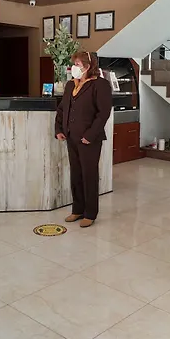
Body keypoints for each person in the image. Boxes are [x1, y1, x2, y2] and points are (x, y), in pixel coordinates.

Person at [55, 51, 112, 228]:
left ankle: (90, 213)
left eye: (77, 64)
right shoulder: (70, 85)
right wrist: (59, 129)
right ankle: (77, 209)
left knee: (89, 175)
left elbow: (103, 113)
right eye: (74, 64)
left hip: (89, 139)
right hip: (71, 137)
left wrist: (90, 135)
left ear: (88, 66)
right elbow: (62, 109)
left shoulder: (100, 85)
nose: (74, 67)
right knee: (76, 174)